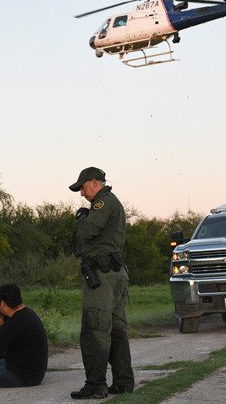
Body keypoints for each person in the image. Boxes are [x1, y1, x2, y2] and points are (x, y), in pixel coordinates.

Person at [68, 166, 134, 399]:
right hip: (114, 273)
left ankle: (95, 385)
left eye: (83, 188)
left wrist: (80, 218)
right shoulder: (111, 202)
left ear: (95, 183)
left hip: (102, 276)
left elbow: (87, 231)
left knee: (94, 328)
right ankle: (123, 383)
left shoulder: (103, 202)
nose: (81, 194)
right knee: (116, 330)